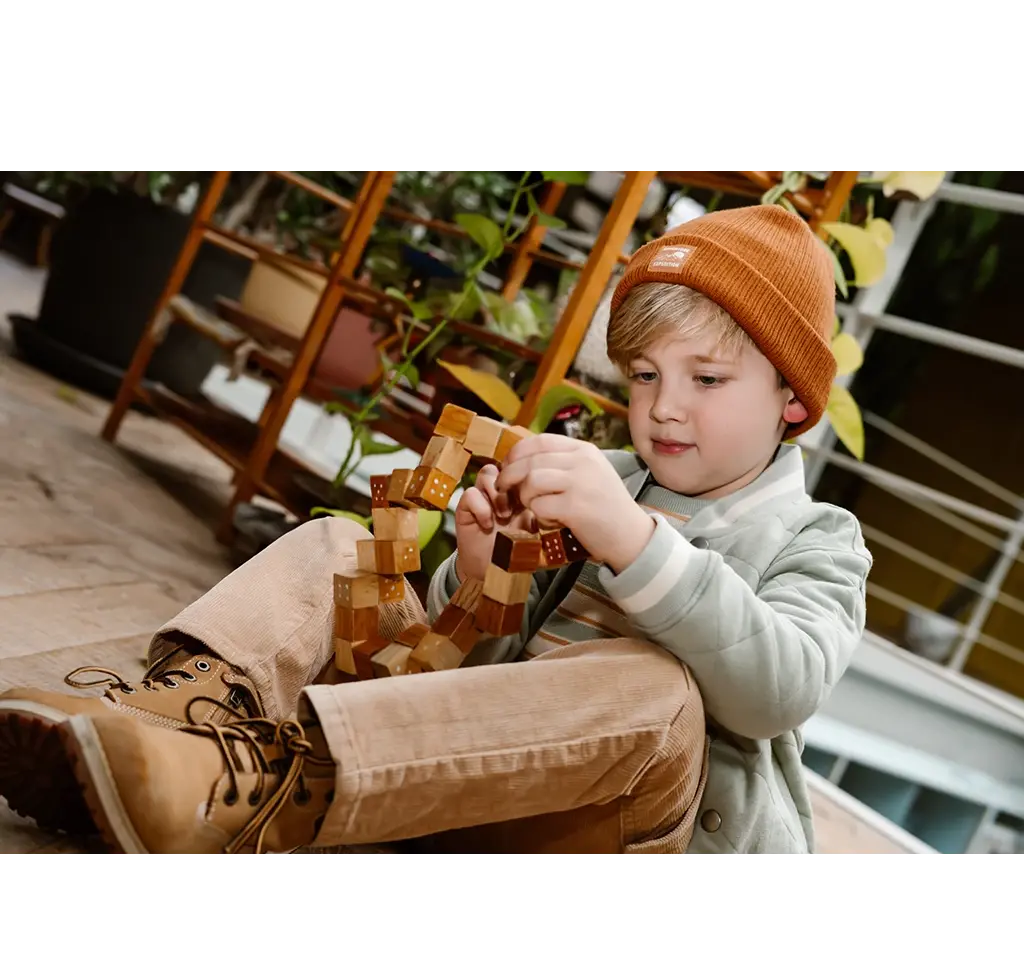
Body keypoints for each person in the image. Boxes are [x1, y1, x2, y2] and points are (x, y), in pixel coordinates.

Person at [0, 203, 871, 856]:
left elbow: (774, 692)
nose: (663, 406)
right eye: (643, 375)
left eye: (707, 379)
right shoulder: (601, 478)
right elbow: (467, 676)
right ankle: (172, 729)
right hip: (459, 790)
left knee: (655, 684)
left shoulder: (819, 539)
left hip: (609, 830)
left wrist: (640, 544)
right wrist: (483, 577)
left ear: (792, 399)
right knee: (346, 548)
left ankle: (270, 791)